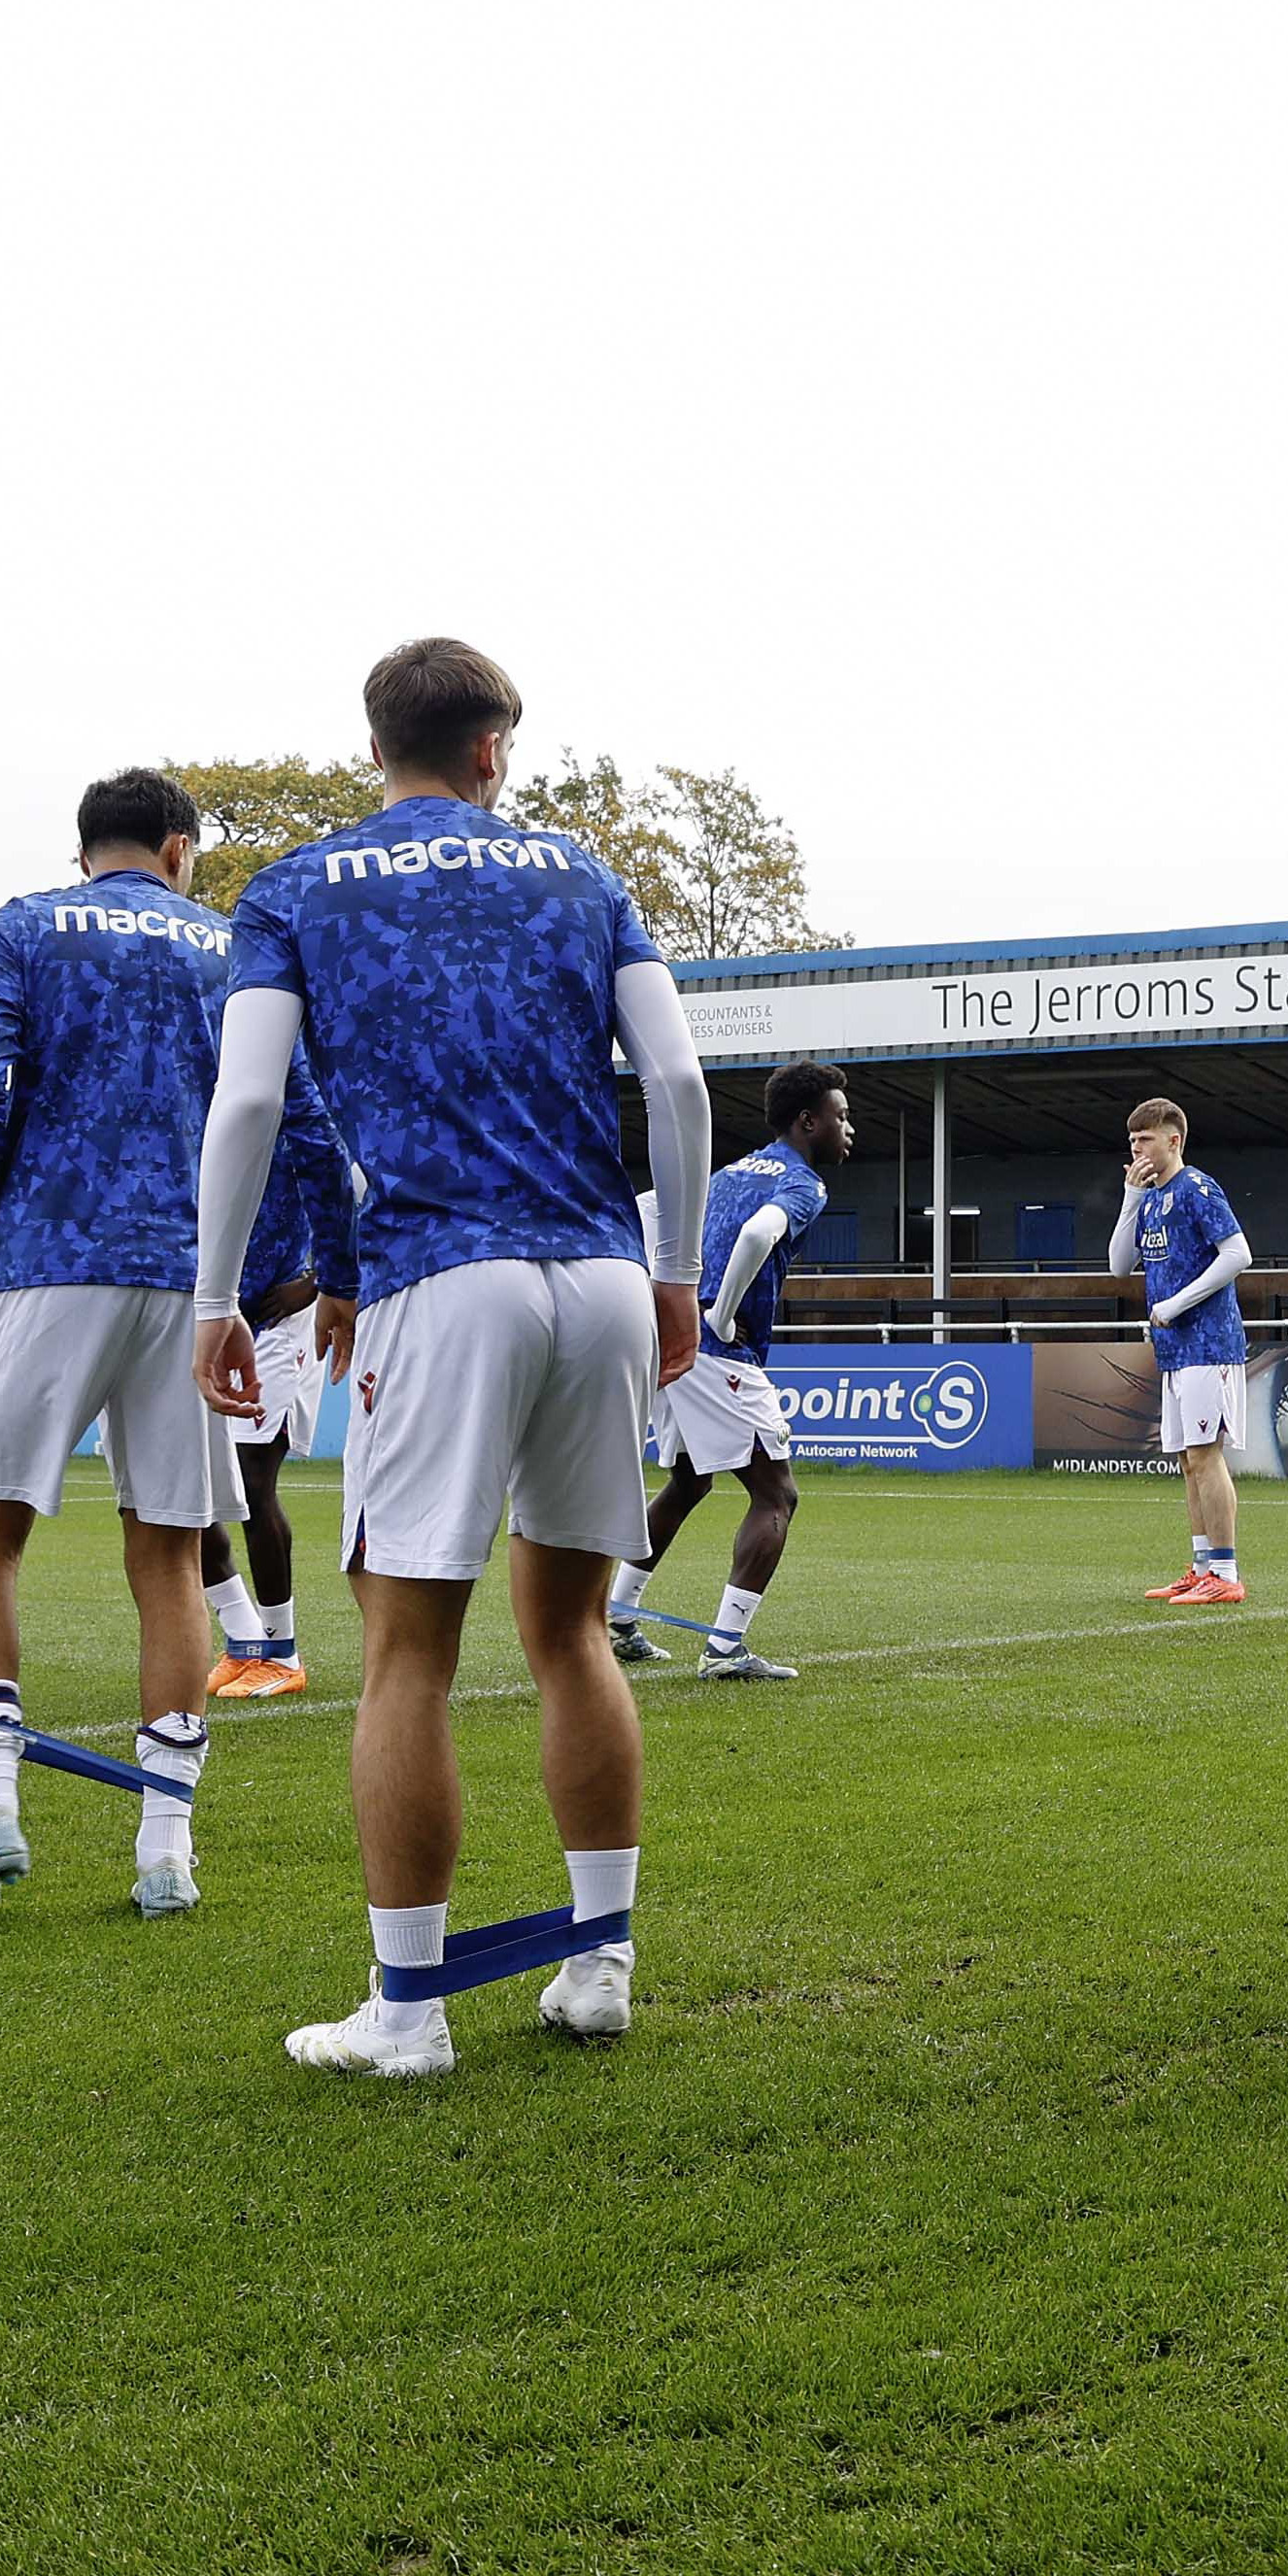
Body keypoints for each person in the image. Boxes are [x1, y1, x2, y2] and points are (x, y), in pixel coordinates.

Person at [190, 636, 711, 2078]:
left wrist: (217, 1297)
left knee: (407, 1658)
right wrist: (673, 1276)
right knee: (572, 1632)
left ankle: (408, 2013)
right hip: (600, 1270)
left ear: (379, 750)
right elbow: (674, 1080)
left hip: (441, 1273)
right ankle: (599, 1967)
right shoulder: (582, 872)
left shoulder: (293, 888)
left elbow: (246, 1108)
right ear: (494, 750)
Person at [0, 768, 245, 1921]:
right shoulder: (225, 944)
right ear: (176, 847)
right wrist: (260, 1277)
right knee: (169, 1555)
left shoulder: (19, 926)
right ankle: (165, 1848)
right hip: (185, 1272)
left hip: (47, 1259)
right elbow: (287, 1111)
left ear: (85, 852)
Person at [611, 1062, 850, 1679]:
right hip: (717, 1353)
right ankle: (725, 1650)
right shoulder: (803, 1184)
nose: (848, 1128)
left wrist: (666, 1298)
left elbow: (647, 1208)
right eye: (840, 1117)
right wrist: (718, 1317)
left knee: (689, 1482)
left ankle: (616, 1617)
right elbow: (756, 1235)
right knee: (776, 1495)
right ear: (808, 1122)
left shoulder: (734, 1170)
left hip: (671, 1345)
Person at [196, 1043, 359, 1704]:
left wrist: (319, 1284)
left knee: (255, 1483)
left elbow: (363, 1207)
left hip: (278, 1324)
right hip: (209, 1313)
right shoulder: (208, 1104)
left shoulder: (311, 1108)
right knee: (189, 1492)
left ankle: (283, 1650)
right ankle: (244, 1642)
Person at [1109, 1098, 1254, 1604]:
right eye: (1132, 1143)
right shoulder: (1149, 1197)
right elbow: (1118, 1266)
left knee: (1204, 1454)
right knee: (1187, 1461)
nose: (1137, 1150)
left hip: (1208, 1343)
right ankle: (1200, 1566)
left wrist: (1176, 1302)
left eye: (1145, 1140)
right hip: (1175, 1349)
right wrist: (1129, 1198)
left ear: (1174, 1140)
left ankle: (1227, 1575)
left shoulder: (1197, 1188)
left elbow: (1238, 1253)